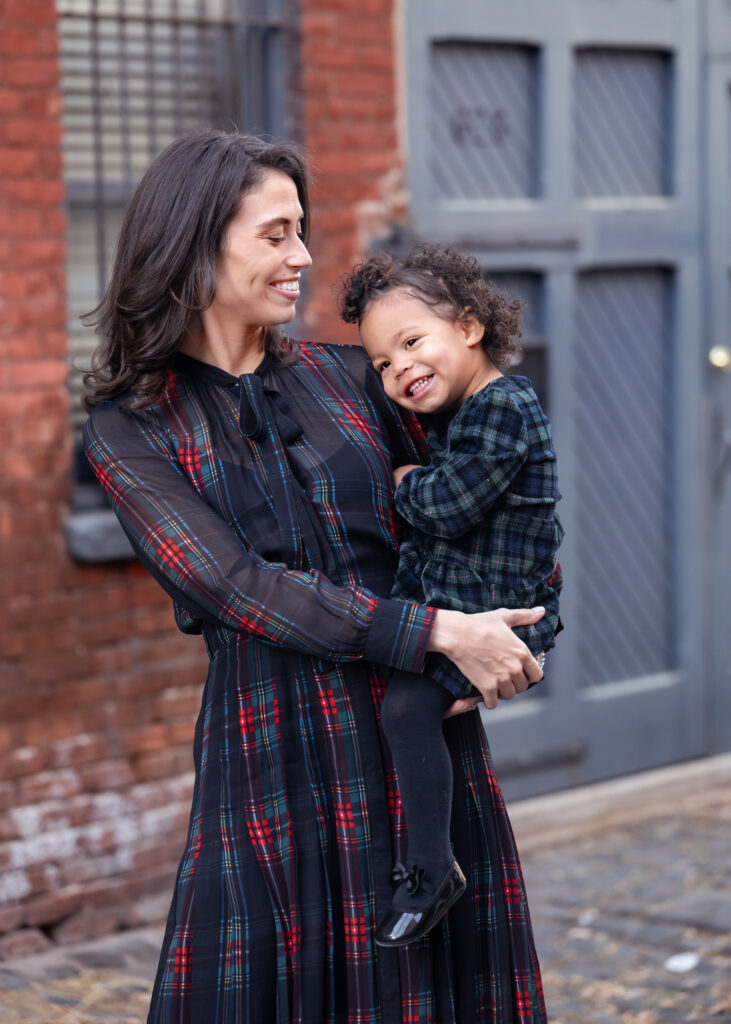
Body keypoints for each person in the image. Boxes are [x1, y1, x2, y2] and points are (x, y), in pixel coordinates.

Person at [82, 129, 548, 1024]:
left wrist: (518, 630)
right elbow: (231, 584)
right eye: (275, 233)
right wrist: (437, 631)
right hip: (271, 753)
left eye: (303, 229)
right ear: (195, 239)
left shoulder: (352, 378)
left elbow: (500, 491)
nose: (302, 257)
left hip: (418, 746)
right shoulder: (129, 429)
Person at [340, 245, 563, 948]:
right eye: (381, 362)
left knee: (406, 714)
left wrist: (404, 482)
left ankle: (431, 869)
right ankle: (427, 860)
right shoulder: (461, 411)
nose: (397, 366)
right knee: (407, 710)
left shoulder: (502, 407)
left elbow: (452, 505)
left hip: (494, 607)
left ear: (468, 327)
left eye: (411, 342)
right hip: (471, 599)